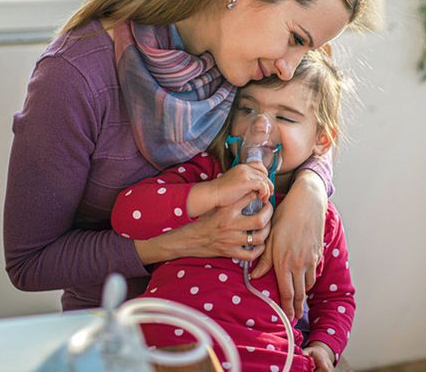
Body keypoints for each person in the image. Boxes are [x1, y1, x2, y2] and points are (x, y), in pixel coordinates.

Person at [3, 0, 363, 318]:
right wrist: (188, 240)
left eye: (306, 50)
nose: (288, 68)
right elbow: (29, 262)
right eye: (295, 38)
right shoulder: (75, 79)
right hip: (115, 331)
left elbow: (309, 120)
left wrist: (312, 189)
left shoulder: (244, 65)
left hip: (237, 336)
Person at [111, 51, 354, 372]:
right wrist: (210, 194)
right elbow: (127, 216)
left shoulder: (319, 221)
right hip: (166, 342)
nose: (260, 127)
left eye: (285, 117)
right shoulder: (203, 176)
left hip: (266, 355)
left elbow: (336, 299)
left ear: (322, 140)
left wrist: (324, 346)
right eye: (248, 109)